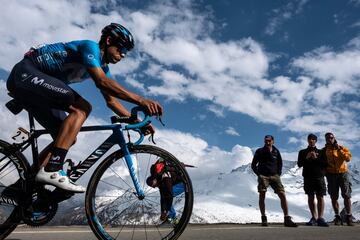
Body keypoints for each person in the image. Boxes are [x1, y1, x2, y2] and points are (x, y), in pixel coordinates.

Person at [6, 23, 163, 193]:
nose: (123, 55)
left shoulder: (103, 68)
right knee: (82, 108)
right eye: (121, 49)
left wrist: (137, 122)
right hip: (25, 72)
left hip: (35, 88)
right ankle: (52, 170)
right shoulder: (90, 47)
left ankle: (21, 188)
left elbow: (112, 102)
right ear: (109, 40)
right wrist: (140, 100)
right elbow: (102, 82)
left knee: (66, 137)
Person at [251, 135, 297, 227]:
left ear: (273, 141)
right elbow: (253, 164)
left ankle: (287, 218)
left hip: (275, 176)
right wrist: (259, 174)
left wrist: (278, 173)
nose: (267, 142)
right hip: (263, 176)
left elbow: (280, 163)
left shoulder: (276, 151)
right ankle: (264, 218)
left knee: (282, 194)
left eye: (269, 141)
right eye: (266, 141)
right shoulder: (259, 151)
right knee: (262, 195)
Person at [321, 132, 353, 226]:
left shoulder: (342, 148)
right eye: (327, 138)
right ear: (326, 140)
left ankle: (348, 216)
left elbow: (348, 159)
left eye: (331, 137)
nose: (329, 139)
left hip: (343, 173)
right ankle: (337, 216)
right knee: (333, 197)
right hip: (331, 175)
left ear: (334, 138)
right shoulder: (324, 150)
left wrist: (339, 150)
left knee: (346, 195)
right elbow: (323, 163)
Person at [297, 134, 328, 227]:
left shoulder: (321, 152)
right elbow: (299, 164)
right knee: (310, 197)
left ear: (316, 141)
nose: (311, 141)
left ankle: (320, 218)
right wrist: (306, 158)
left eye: (313, 139)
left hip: (319, 176)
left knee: (320, 196)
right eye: (310, 139)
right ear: (307, 140)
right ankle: (314, 217)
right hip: (307, 177)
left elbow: (325, 164)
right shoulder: (302, 152)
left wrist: (316, 158)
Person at [146, 158, 185, 224]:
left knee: (167, 197)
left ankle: (171, 217)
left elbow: (169, 194)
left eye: (154, 185)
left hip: (182, 184)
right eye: (153, 187)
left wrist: (166, 211)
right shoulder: (160, 181)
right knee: (165, 197)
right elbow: (162, 198)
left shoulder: (165, 178)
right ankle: (172, 217)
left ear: (154, 180)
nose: (155, 187)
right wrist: (163, 211)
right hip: (176, 184)